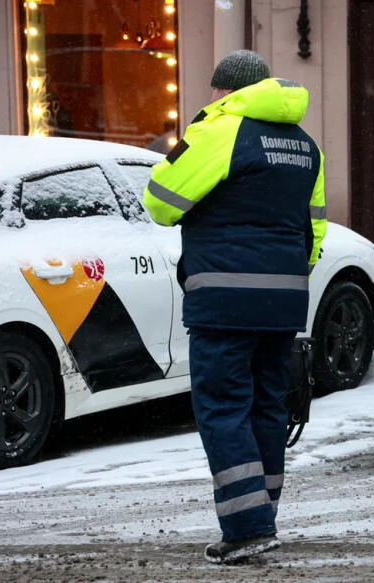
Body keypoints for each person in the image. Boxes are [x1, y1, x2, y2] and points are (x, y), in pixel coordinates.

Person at [141, 50, 326, 564]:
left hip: (223, 297)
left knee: (222, 408)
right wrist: (283, 275)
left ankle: (246, 528)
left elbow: (160, 201)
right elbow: (314, 228)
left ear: (226, 91)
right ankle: (262, 512)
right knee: (266, 405)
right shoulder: (306, 146)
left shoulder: (220, 131)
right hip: (284, 297)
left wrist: (183, 147)